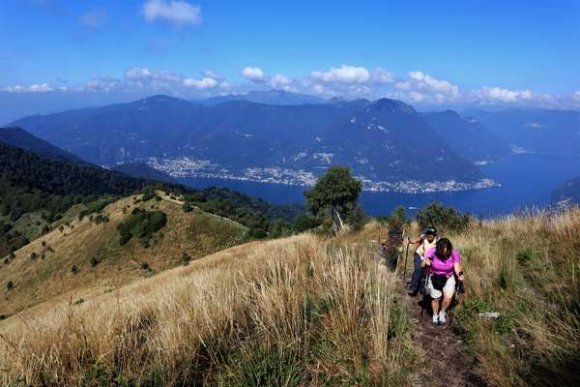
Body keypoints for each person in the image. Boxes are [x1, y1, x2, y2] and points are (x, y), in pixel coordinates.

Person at [422, 238, 464, 325]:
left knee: (448, 297)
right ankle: (435, 315)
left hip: (448, 276)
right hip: (434, 276)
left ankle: (442, 312)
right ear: (438, 249)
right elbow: (425, 261)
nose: (445, 253)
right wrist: (427, 262)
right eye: (443, 251)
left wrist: (460, 274)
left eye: (447, 251)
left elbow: (457, 267)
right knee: (436, 298)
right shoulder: (432, 251)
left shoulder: (454, 253)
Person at [407, 227, 438, 296]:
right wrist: (411, 242)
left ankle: (422, 288)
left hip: (429, 258)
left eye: (432, 234)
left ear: (435, 234)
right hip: (419, 255)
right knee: (418, 269)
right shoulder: (424, 237)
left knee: (426, 272)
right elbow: (416, 241)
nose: (430, 235)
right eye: (428, 233)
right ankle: (413, 288)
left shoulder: (438, 241)